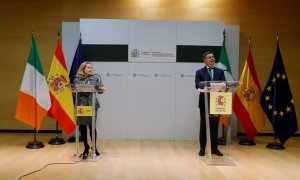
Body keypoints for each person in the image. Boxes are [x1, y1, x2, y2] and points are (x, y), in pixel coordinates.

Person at [195, 51, 225, 156]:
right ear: (204, 60)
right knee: (204, 125)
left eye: (213, 57)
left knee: (214, 126)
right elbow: (197, 84)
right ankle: (202, 148)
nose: (212, 58)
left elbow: (224, 83)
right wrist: (204, 87)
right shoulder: (199, 72)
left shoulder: (220, 71)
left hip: (217, 102)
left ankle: (214, 149)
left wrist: (224, 86)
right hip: (204, 102)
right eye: (209, 57)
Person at [74, 61, 106, 159]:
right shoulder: (77, 79)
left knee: (92, 127)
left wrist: (102, 89)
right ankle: (86, 147)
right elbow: (74, 89)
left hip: (92, 104)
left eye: (91, 68)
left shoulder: (96, 78)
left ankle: (94, 147)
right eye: (88, 68)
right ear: (83, 69)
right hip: (81, 105)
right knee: (82, 127)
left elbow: (99, 90)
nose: (90, 69)